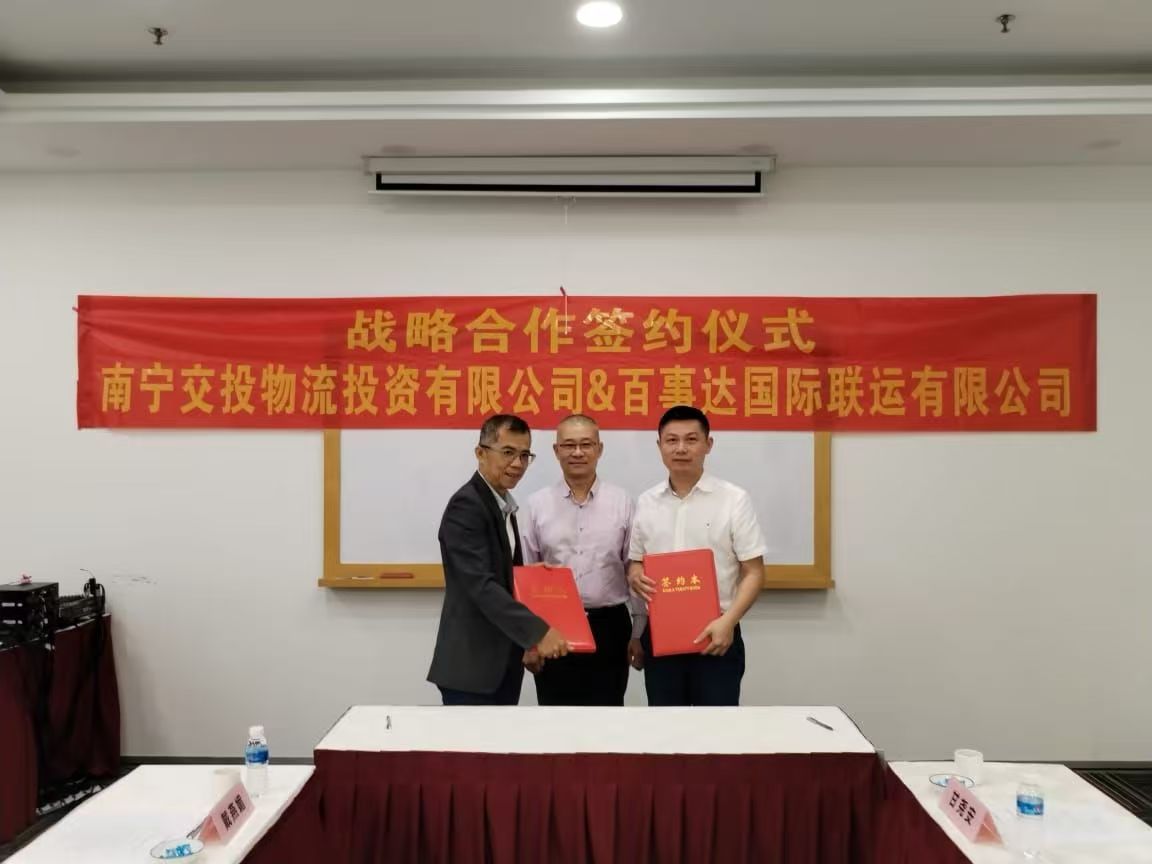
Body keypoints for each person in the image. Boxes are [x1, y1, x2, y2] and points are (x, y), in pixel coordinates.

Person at [627, 405, 766, 706]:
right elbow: (636, 560)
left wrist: (728, 622)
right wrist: (635, 573)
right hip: (661, 635)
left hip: (717, 635)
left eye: (691, 439)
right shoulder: (647, 501)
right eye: (671, 440)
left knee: (716, 729)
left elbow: (754, 572)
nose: (681, 448)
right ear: (660, 446)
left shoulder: (734, 499)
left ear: (708, 444)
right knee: (666, 728)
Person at [427, 414, 569, 705]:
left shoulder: (501, 504)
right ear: (481, 453)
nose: (517, 464)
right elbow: (480, 585)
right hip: (472, 668)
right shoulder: (467, 506)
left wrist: (527, 577)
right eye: (507, 452)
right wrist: (538, 633)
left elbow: (498, 573)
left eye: (524, 455)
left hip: (502, 663)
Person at [521, 414, 645, 706]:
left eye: (586, 444)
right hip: (553, 628)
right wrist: (529, 640)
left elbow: (634, 571)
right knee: (555, 715)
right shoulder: (537, 505)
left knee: (608, 715)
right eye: (568, 445)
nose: (577, 452)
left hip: (610, 626)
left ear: (599, 449)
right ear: (556, 451)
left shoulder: (623, 503)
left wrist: (638, 633)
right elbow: (527, 575)